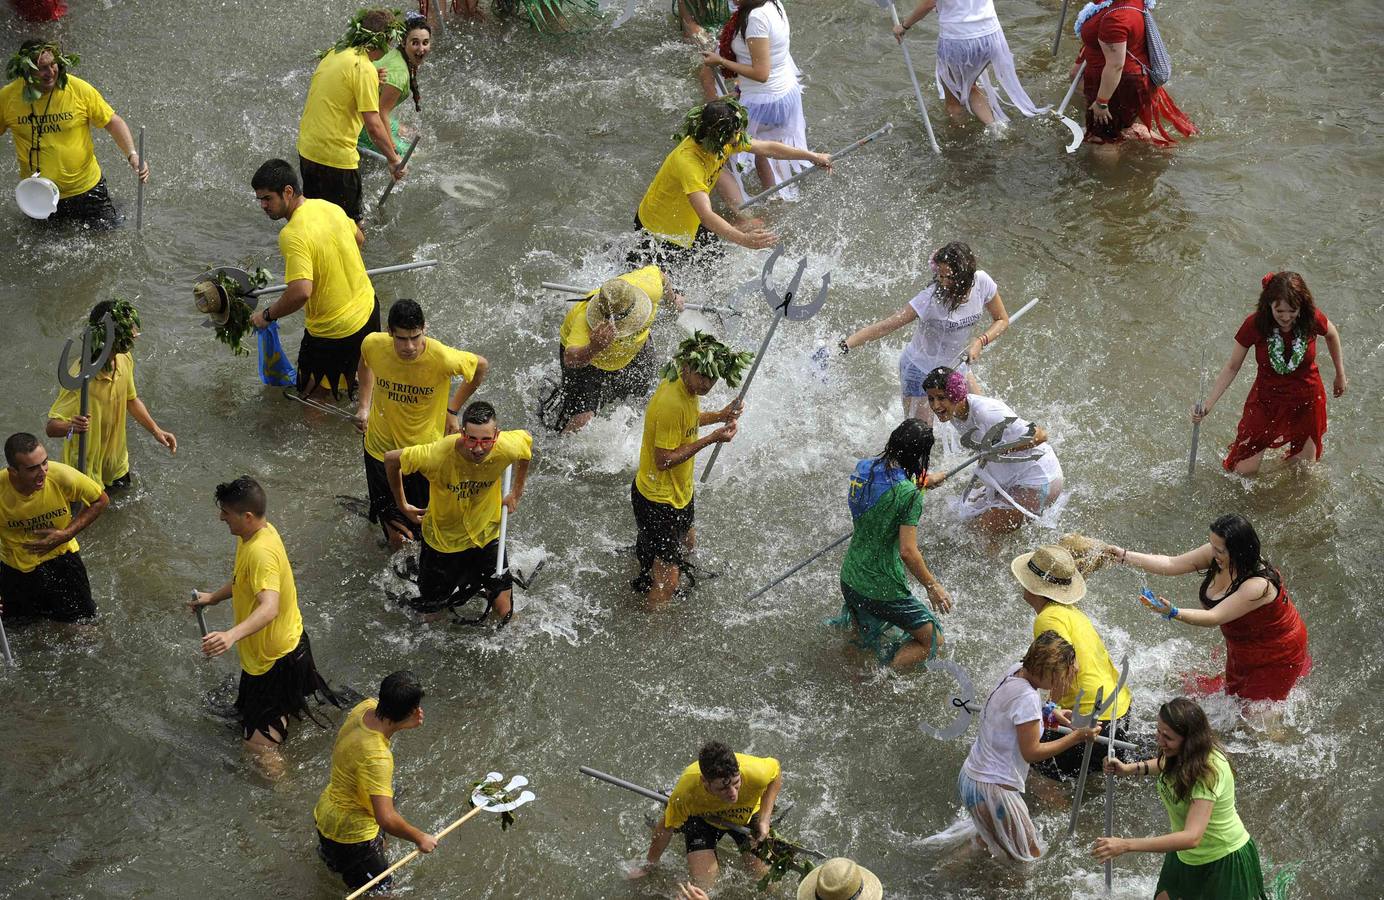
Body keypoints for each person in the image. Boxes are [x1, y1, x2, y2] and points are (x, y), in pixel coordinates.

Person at [187, 476, 341, 769]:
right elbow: (243, 581)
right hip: (282, 649)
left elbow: (269, 607)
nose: (221, 517)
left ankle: (287, 801)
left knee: (257, 749)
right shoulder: (257, 534)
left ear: (246, 516)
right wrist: (214, 598)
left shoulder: (260, 552)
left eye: (226, 513)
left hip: (275, 661)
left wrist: (231, 635)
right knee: (252, 716)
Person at [1102, 514, 1310, 703]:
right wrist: (1123, 556)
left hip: (1277, 652)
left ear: (1238, 552)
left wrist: (1173, 612)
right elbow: (1170, 564)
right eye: (1212, 546)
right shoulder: (1217, 553)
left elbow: (1214, 617)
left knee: (1257, 713)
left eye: (1219, 550)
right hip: (1244, 642)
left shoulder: (1257, 585)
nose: (1213, 553)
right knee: (1236, 699)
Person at [1093, 697, 1270, 899]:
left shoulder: (1209, 772)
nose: (1159, 740)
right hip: (1185, 856)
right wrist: (1130, 769)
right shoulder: (1181, 752)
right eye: (1158, 731)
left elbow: (1192, 837)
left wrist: (1126, 845)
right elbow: (1166, 763)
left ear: (1189, 740)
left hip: (1223, 860)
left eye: (1167, 737)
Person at [631, 98, 830, 266]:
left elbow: (768, 148)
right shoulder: (689, 164)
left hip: (689, 223)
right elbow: (707, 214)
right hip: (660, 232)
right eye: (734, 138)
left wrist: (811, 156)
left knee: (714, 263)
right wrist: (744, 240)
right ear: (718, 138)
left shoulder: (726, 139)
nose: (738, 140)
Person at [355, 299, 487, 550]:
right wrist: (364, 406)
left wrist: (452, 409)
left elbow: (481, 366)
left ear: (424, 328)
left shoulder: (442, 357)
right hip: (379, 449)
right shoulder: (373, 344)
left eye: (415, 337)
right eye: (401, 339)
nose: (409, 346)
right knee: (398, 534)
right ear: (389, 332)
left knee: (426, 526)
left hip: (422, 454)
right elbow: (364, 366)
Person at [384, 401, 532, 624]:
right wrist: (402, 505)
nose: (479, 448)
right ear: (463, 432)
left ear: (496, 435)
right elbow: (391, 459)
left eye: (486, 440)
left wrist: (515, 493)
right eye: (471, 439)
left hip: (486, 535)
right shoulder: (437, 454)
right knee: (431, 614)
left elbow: (526, 447)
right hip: (443, 542)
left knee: (506, 613)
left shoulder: (507, 446)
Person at [958, 630, 1100, 861]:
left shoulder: (1016, 671)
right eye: (1064, 673)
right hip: (993, 791)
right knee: (1028, 858)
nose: (1066, 679)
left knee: (988, 843)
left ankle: (937, 876)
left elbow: (1009, 715)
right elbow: (1032, 752)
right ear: (1051, 672)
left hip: (972, 778)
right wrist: (1077, 737)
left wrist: (1048, 712)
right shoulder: (1028, 698)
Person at [631, 332, 750, 604]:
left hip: (680, 492)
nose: (707, 384)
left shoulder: (685, 386)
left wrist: (719, 416)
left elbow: (688, 420)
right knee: (667, 584)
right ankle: (651, 628)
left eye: (713, 378)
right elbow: (664, 461)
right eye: (702, 376)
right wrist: (712, 438)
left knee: (689, 542)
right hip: (657, 501)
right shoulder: (671, 402)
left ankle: (661, 562)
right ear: (686, 366)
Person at [250, 158, 380, 400]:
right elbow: (359, 239)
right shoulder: (328, 207)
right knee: (360, 384)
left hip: (334, 332)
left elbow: (301, 292)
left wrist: (267, 315)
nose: (263, 205)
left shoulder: (292, 234)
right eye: (259, 199)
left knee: (312, 401)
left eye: (267, 198)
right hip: (369, 310)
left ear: (287, 192)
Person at [835, 242, 1010, 420]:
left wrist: (981, 341)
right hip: (920, 371)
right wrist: (846, 344)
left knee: (983, 416)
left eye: (948, 277)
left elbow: (1002, 319)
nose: (943, 283)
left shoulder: (982, 282)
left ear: (965, 275)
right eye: (940, 276)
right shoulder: (929, 299)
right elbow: (886, 326)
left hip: (956, 366)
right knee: (920, 436)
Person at [1194, 271, 1347, 475]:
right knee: (1243, 471)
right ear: (1269, 305)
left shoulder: (1311, 318)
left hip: (1307, 399)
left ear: (1302, 306)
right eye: (1279, 311)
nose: (1286, 317)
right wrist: (1207, 405)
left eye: (1292, 311)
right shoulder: (1256, 324)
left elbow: (1332, 334)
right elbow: (1232, 366)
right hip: (1266, 400)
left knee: (1304, 470)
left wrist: (1340, 374)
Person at [832, 419, 952, 671]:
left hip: (850, 576)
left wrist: (925, 483)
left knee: (860, 637)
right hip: (881, 584)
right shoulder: (909, 496)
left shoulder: (862, 468)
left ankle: (854, 679)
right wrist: (933, 586)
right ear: (919, 455)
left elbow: (887, 488)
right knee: (932, 639)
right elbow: (908, 552)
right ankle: (883, 679)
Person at [1010, 543, 1131, 780]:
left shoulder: (1047, 619)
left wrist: (1049, 709)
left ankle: (1057, 813)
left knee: (1031, 762)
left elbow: (1067, 667)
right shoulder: (1072, 612)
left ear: (1033, 586)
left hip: (1090, 718)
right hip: (1118, 707)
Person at [0, 39, 148, 225]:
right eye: (42, 67)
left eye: (53, 64)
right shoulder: (8, 97)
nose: (50, 72)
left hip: (86, 188)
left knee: (108, 239)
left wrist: (132, 155)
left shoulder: (78, 89)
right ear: (25, 70)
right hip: (37, 195)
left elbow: (112, 122)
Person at [314, 670, 438, 892]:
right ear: (412, 711)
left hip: (327, 811)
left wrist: (403, 722)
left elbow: (384, 727)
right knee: (384, 894)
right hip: (352, 836)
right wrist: (420, 837)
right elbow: (385, 817)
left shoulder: (364, 708)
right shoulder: (378, 758)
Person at [46, 299, 176, 490]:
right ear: (110, 335)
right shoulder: (81, 378)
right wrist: (71, 426)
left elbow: (131, 400)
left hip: (116, 463)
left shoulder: (124, 358)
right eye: (129, 329)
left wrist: (156, 431)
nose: (135, 334)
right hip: (85, 467)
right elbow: (50, 428)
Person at [542, 266, 684, 434]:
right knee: (581, 421)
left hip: (636, 349)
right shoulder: (584, 321)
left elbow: (661, 276)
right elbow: (571, 359)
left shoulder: (649, 288)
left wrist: (673, 300)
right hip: (591, 363)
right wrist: (593, 348)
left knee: (649, 392)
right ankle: (557, 449)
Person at [297, 8, 407, 222]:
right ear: (384, 41)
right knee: (353, 229)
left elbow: (341, 86)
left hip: (308, 152)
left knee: (317, 221)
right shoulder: (363, 68)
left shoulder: (336, 53)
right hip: (336, 160)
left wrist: (372, 78)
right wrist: (393, 160)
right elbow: (374, 124)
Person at [923, 367, 1063, 533]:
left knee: (986, 529)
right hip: (1011, 476)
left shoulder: (988, 412)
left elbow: (1040, 435)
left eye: (941, 398)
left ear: (956, 394)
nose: (935, 406)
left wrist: (1002, 450)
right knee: (965, 523)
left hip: (1039, 479)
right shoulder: (953, 413)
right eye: (931, 399)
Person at [631, 740, 782, 889]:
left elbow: (775, 773)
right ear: (705, 782)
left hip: (746, 817)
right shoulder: (686, 791)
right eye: (723, 788)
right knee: (706, 888)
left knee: (768, 884)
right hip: (703, 820)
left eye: (736, 783)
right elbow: (665, 828)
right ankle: (674, 812)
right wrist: (648, 865)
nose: (733, 794)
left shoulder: (757, 772)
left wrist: (764, 819)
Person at [701, 0, 808, 198]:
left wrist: (721, 61)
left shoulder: (757, 18)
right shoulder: (773, 3)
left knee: (711, 152)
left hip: (765, 101)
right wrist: (742, 89)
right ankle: (774, 199)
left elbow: (761, 73)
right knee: (763, 149)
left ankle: (741, 213)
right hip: (784, 94)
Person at [893, 0, 1047, 132]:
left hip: (960, 39)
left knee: (953, 102)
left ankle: (961, 145)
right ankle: (995, 129)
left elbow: (929, 3)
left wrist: (904, 26)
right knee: (970, 86)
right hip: (991, 35)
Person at [0, 432, 107, 623]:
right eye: (33, 468)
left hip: (62, 559)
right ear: (13, 472)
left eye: (44, 462)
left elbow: (100, 500)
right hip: (16, 569)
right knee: (23, 631)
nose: (42, 472)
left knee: (84, 628)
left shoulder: (61, 475)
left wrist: (67, 533)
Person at [1072, 0, 1196, 149]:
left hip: (1118, 85)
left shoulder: (1115, 18)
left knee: (1102, 140)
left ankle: (1109, 171)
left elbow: (1115, 65)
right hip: (1127, 79)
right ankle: (1169, 149)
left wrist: (1101, 102)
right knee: (1122, 127)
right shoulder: (1126, 4)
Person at [358, 12, 431, 159]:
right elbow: (379, 112)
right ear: (404, 42)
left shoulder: (395, 54)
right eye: (415, 43)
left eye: (425, 42)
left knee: (407, 130)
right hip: (363, 125)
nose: (421, 49)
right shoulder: (400, 75)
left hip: (365, 112)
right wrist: (392, 150)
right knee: (418, 157)